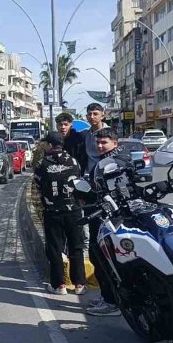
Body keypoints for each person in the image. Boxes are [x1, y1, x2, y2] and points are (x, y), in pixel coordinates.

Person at [85, 127, 132, 317]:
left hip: (111, 218)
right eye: (98, 142)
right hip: (105, 215)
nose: (100, 146)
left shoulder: (114, 162)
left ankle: (112, 302)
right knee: (100, 258)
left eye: (104, 142)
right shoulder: (107, 160)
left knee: (105, 259)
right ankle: (108, 297)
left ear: (115, 143)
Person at [35, 131, 88, 296]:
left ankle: (59, 285)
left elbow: (38, 186)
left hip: (53, 212)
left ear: (50, 145)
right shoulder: (73, 161)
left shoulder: (42, 164)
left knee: (55, 249)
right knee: (76, 246)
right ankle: (79, 284)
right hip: (74, 211)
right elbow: (79, 181)